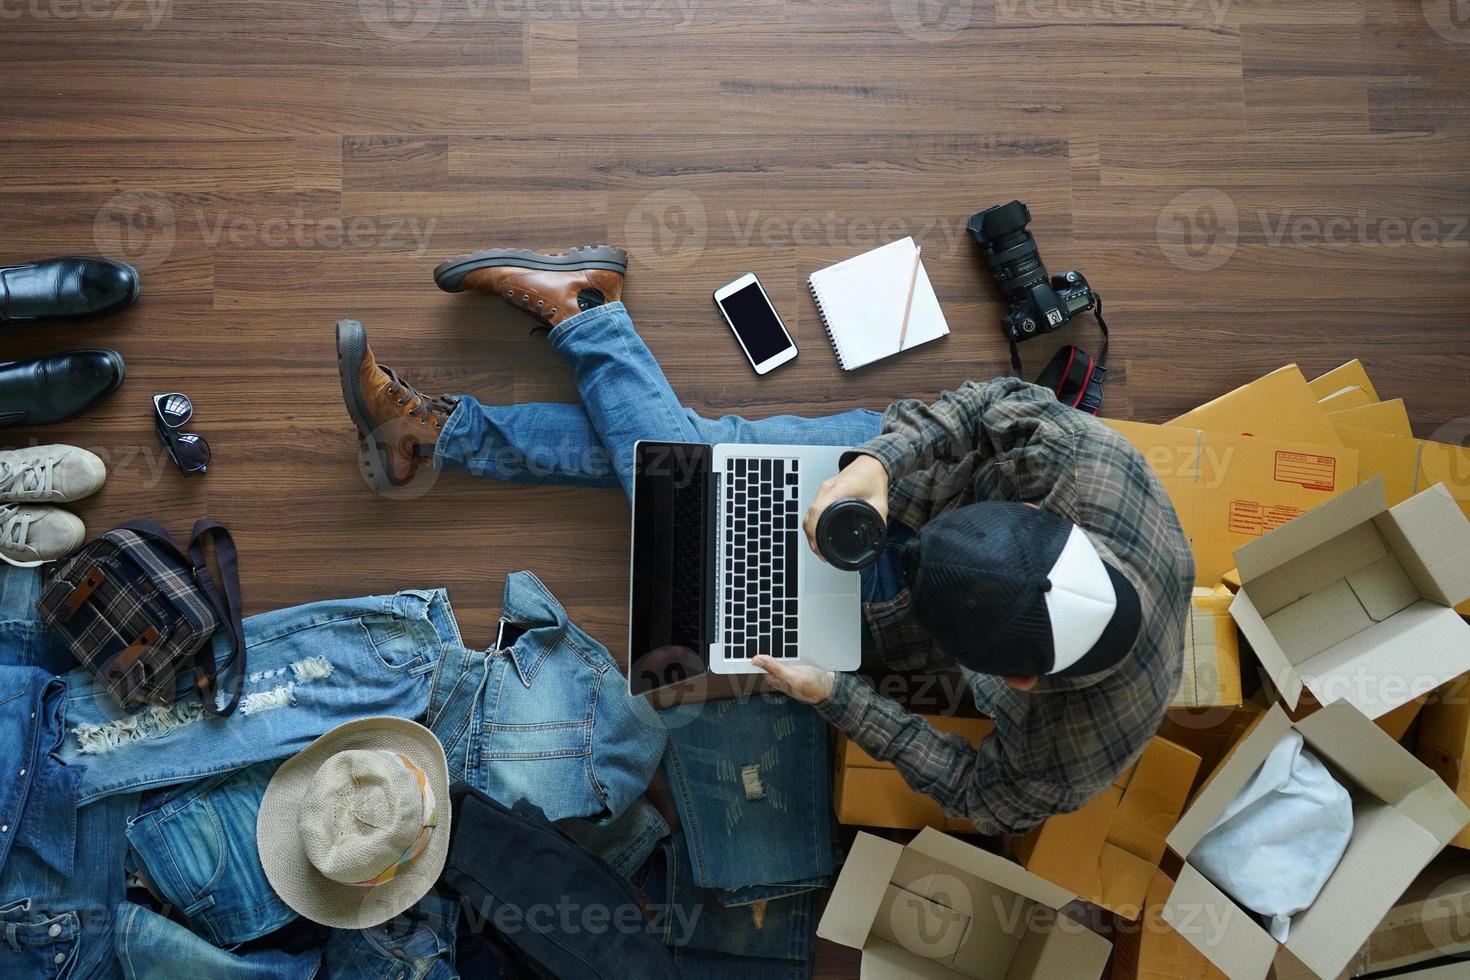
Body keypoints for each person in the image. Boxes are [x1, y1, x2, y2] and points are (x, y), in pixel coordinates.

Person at [334, 244, 1194, 836]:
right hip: (897, 478)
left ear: (1016, 678)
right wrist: (875, 472)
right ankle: (569, 326)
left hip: (868, 624)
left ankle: (476, 402)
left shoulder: (1076, 753)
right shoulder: (1094, 470)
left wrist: (835, 696)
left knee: (693, 482)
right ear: (1049, 522)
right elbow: (977, 408)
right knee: (696, 478)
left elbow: (980, 792)